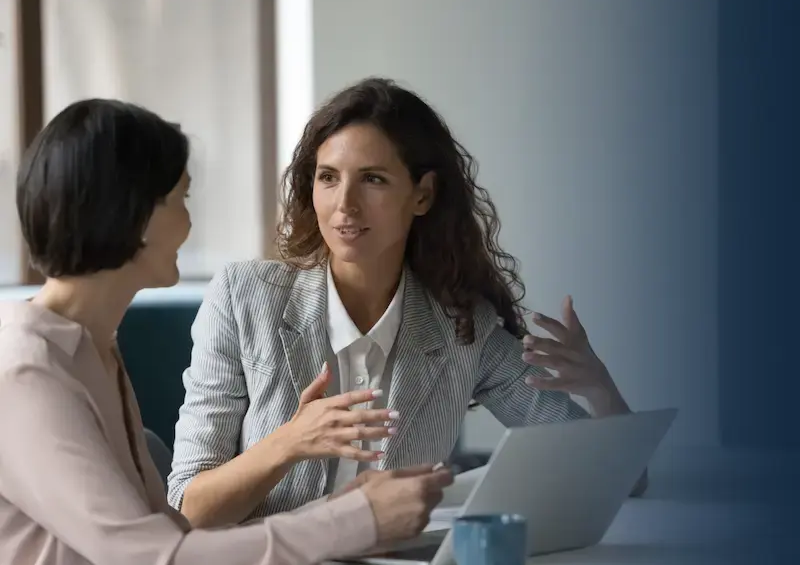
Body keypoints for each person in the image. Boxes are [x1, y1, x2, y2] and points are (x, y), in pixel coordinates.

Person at [168, 77, 648, 528]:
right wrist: (287, 445)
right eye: (328, 177)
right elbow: (188, 510)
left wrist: (601, 390)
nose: (345, 205)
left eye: (372, 179)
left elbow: (623, 479)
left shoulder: (464, 328)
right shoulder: (244, 298)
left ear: (422, 195)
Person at [0, 98, 453, 565]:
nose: (189, 223)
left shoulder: (94, 351)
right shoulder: (26, 371)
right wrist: (359, 520)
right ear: (131, 215)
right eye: (181, 199)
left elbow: (169, 533)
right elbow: (153, 557)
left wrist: (341, 507)